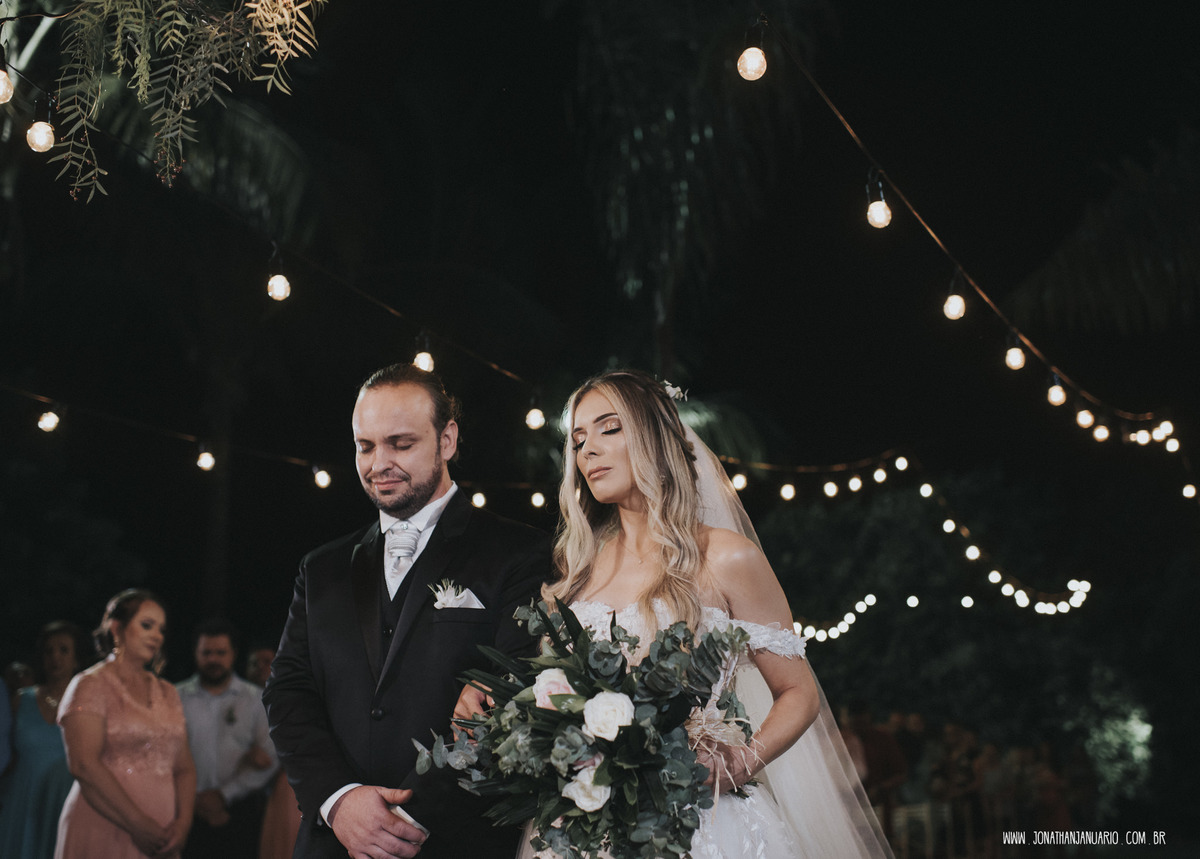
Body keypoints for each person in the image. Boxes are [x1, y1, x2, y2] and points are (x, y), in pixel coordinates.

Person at [494, 369, 892, 858]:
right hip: (590, 825)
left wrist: (740, 764)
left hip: (703, 821)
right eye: (577, 439)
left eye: (609, 428)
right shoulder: (577, 569)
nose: (587, 450)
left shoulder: (727, 558)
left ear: (656, 439)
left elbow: (799, 691)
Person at [263, 363, 550, 859]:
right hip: (335, 843)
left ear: (448, 440)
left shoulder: (519, 553)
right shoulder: (321, 569)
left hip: (454, 844)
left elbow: (515, 700)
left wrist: (401, 823)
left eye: (401, 443)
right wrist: (340, 802)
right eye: (365, 446)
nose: (379, 463)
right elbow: (288, 694)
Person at [55, 589, 196, 859]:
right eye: (146, 625)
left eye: (161, 629)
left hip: (161, 836)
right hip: (103, 825)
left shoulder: (168, 692)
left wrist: (183, 824)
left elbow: (184, 767)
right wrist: (138, 824)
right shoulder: (90, 685)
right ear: (117, 628)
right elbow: (84, 765)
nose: (157, 636)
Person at [176, 618, 278, 859]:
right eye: (206, 652)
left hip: (239, 813)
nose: (213, 659)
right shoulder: (175, 697)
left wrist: (224, 795)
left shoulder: (254, 699)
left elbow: (271, 758)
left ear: (233, 654)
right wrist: (194, 800)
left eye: (220, 652)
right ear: (196, 654)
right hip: (183, 810)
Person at [0, 621, 90, 859]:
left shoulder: (89, 705)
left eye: (63, 650)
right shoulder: (21, 699)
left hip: (63, 801)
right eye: (48, 651)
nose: (55, 657)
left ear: (76, 658)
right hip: (21, 801)